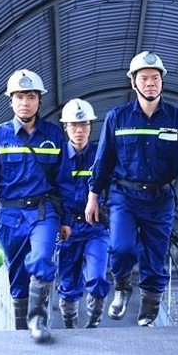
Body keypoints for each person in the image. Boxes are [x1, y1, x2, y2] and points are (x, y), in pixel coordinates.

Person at [85, 51, 178, 328]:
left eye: (155, 78)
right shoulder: (117, 118)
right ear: (133, 82)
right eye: (144, 78)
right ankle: (122, 287)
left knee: (155, 256)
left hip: (161, 198)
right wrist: (93, 196)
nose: (150, 83)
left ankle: (150, 305)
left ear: (162, 82)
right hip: (124, 196)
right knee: (121, 247)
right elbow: (103, 160)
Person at [0, 69, 75, 343]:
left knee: (41, 258)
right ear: (11, 101)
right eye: (19, 97)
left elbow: (65, 182)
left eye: (31, 97)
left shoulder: (54, 136)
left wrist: (66, 220)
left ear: (39, 101)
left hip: (44, 212)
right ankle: (22, 332)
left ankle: (38, 320)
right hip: (10, 217)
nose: (25, 102)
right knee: (18, 279)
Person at [56, 98, 110, 329]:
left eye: (84, 125)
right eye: (74, 125)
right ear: (65, 127)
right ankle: (71, 325)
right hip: (67, 228)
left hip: (95, 227)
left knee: (97, 277)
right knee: (68, 283)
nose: (79, 130)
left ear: (90, 126)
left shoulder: (101, 156)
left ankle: (94, 319)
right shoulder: (56, 158)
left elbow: (115, 186)